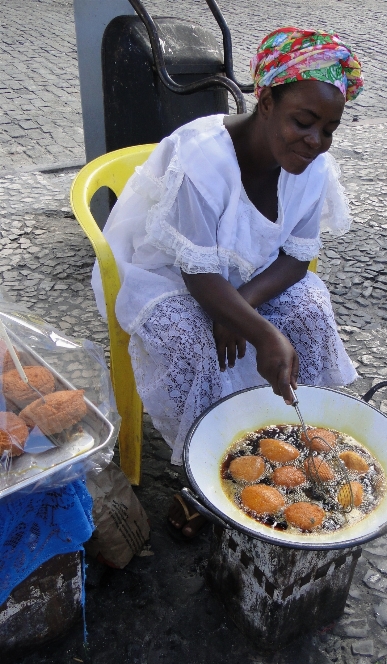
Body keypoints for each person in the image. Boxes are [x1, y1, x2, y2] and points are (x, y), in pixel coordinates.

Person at [92, 27, 363, 539]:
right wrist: (261, 331)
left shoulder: (314, 165)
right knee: (192, 342)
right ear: (265, 103)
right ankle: (207, 462)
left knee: (307, 311)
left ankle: (295, 440)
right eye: (303, 122)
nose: (315, 141)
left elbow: (296, 258)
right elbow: (196, 271)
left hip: (244, 276)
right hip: (166, 273)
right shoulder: (204, 160)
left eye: (329, 129)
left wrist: (244, 308)